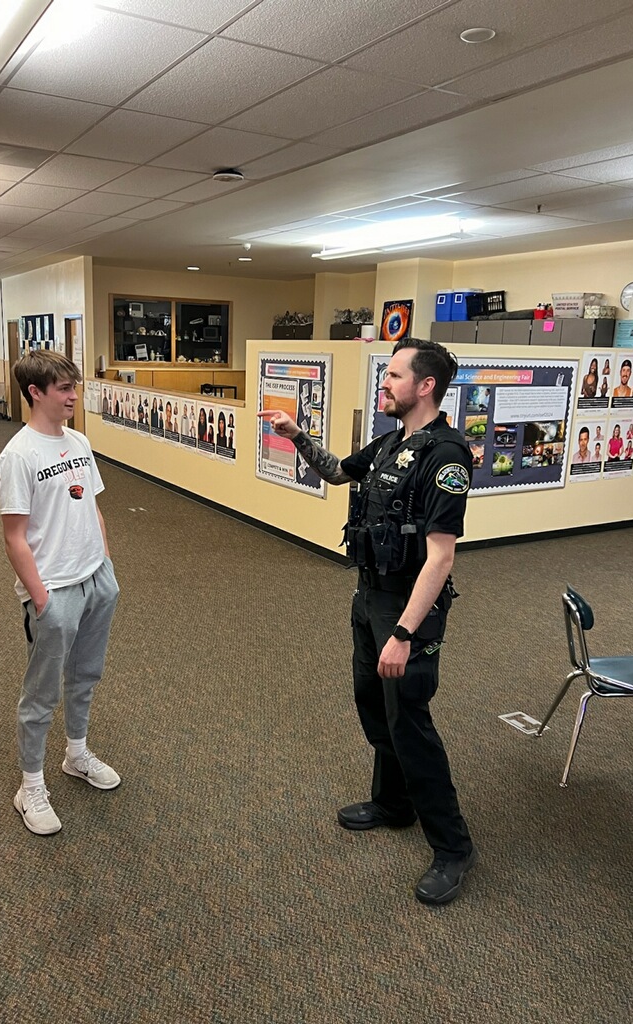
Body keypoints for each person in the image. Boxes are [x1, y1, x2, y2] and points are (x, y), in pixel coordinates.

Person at [258, 338, 476, 905]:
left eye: (395, 376)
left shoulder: (445, 456)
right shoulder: (390, 442)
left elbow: (441, 557)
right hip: (369, 597)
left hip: (410, 611)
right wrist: (296, 435)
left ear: (425, 386)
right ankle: (393, 803)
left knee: (411, 723)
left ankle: (452, 846)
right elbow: (336, 473)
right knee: (372, 705)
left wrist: (404, 633)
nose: (385, 383)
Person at [0, 350, 121, 837]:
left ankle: (76, 754)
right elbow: (14, 536)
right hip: (54, 590)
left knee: (86, 675)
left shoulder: (80, 442)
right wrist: (40, 598)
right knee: (41, 694)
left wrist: (105, 564)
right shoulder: (19, 455)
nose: (73, 396)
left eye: (74, 386)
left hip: (96, 580)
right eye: (64, 388)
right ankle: (30, 786)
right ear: (35, 392)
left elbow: (93, 507)